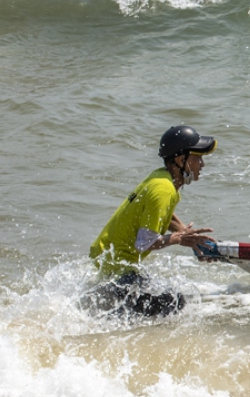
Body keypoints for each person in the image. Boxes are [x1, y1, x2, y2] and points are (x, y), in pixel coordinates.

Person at [87, 125, 216, 315]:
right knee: (173, 303)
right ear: (181, 160)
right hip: (119, 271)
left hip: (110, 263)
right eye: (198, 157)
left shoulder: (162, 179)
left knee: (167, 299)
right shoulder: (163, 190)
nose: (202, 164)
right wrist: (179, 239)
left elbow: (163, 214)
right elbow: (144, 243)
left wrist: (182, 230)